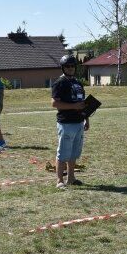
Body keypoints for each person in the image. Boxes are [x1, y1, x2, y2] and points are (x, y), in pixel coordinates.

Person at [51, 55, 89, 189]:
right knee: (63, 153)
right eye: (68, 66)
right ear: (63, 67)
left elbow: (83, 104)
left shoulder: (78, 83)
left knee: (74, 153)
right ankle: (59, 180)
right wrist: (73, 106)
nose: (71, 68)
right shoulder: (60, 82)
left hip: (79, 122)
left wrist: (86, 119)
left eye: (73, 66)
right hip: (66, 123)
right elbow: (54, 103)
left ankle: (71, 178)